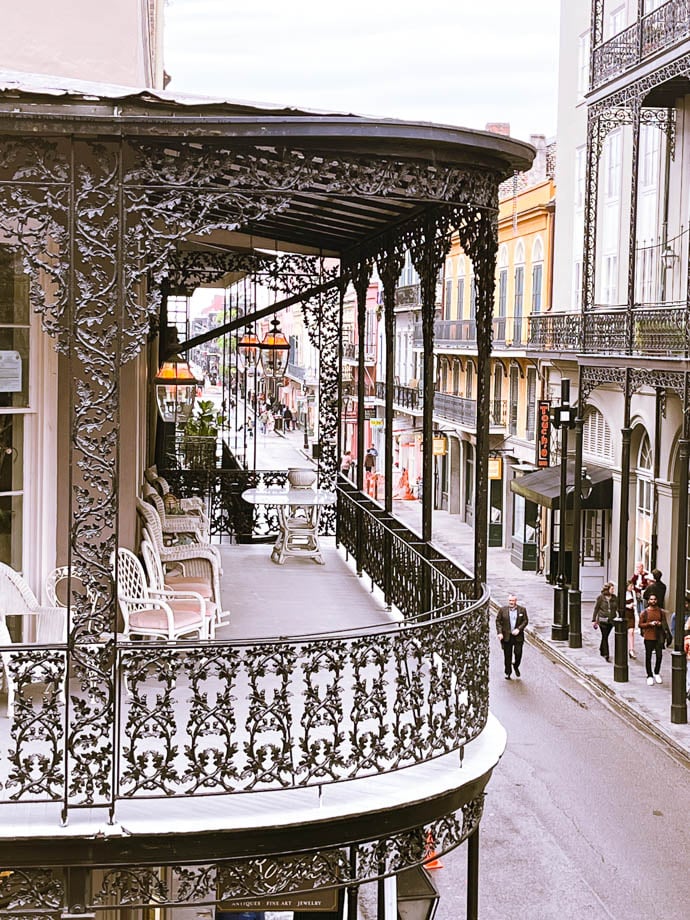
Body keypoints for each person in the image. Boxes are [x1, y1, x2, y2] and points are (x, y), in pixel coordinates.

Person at [496, 594, 529, 679]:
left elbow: (525, 621)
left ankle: (516, 665)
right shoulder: (502, 610)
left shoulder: (522, 610)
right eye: (510, 601)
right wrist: (500, 633)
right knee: (507, 655)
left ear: (515, 601)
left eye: (512, 601)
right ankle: (508, 672)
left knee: (518, 653)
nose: (511, 602)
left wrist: (519, 629)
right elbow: (498, 622)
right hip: (507, 636)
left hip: (518, 637)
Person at [639, 593, 666, 686]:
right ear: (648, 601)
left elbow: (664, 623)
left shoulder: (660, 612)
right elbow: (640, 624)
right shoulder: (645, 612)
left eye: (654, 599)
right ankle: (649, 675)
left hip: (658, 637)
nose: (653, 601)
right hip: (648, 637)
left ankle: (656, 672)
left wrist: (659, 624)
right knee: (648, 656)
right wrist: (649, 624)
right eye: (651, 599)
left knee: (659, 656)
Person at [592, 581, 617, 662]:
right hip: (602, 620)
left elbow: (617, 608)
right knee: (605, 636)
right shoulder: (600, 598)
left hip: (611, 620)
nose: (613, 590)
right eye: (612, 589)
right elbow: (596, 608)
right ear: (607, 589)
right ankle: (606, 654)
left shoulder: (614, 598)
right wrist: (594, 619)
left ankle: (601, 648)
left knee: (605, 636)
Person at [624, 578, 637, 658]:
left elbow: (635, 601)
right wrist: (627, 606)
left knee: (631, 631)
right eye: (631, 586)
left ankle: (631, 649)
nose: (632, 587)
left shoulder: (633, 593)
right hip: (626, 613)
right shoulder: (623, 593)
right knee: (626, 632)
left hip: (631, 613)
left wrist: (633, 605)